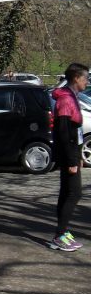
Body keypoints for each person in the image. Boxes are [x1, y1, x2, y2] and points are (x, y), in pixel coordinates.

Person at [49, 62, 89, 251]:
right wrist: (72, 159)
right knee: (74, 193)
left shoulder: (72, 97)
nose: (87, 82)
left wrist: (78, 155)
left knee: (68, 192)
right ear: (76, 78)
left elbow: (76, 132)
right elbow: (64, 132)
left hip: (72, 153)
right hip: (67, 154)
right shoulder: (65, 100)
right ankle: (59, 235)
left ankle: (62, 232)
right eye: (85, 78)